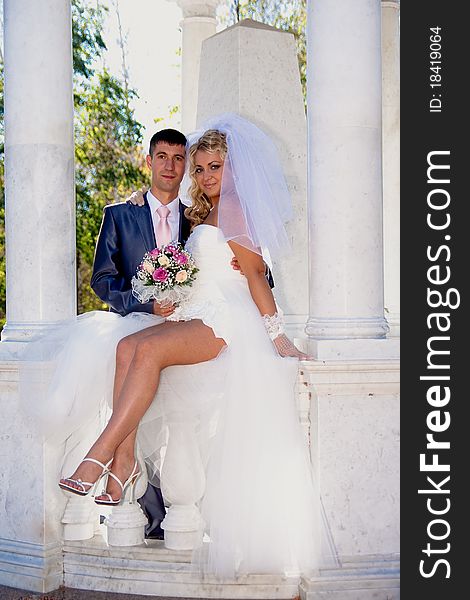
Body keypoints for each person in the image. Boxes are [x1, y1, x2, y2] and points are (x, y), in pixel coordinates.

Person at [54, 113, 335, 577]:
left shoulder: (239, 210)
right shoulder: (205, 211)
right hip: (196, 311)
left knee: (147, 351)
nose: (204, 177)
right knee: (127, 349)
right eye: (199, 168)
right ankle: (123, 462)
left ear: (234, 167)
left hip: (227, 319)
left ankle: (98, 454)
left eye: (214, 167)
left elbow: (256, 280)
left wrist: (278, 337)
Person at [89, 127, 189, 539]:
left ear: (185, 166)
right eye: (161, 156)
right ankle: (151, 514)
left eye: (178, 158)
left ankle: (176, 505)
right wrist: (144, 303)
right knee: (139, 416)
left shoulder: (200, 216)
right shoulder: (120, 214)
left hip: (185, 330)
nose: (170, 165)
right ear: (148, 162)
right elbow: (102, 280)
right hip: (134, 322)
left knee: (181, 423)